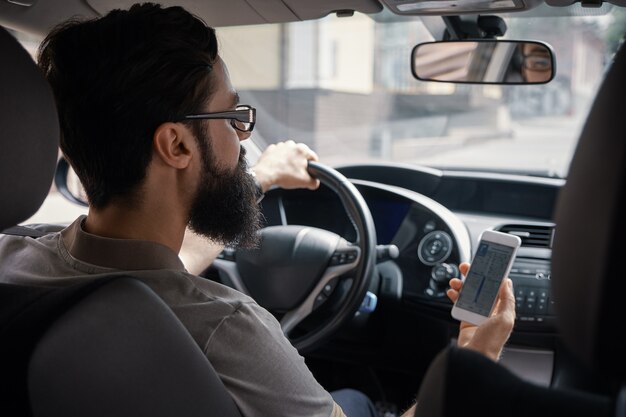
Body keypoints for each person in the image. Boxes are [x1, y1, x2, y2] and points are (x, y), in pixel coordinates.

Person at [0, 4, 515, 416]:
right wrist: (476, 354)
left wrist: (260, 178)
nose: (243, 139)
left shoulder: (13, 256)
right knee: (359, 400)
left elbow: (149, 279)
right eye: (235, 118)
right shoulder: (228, 327)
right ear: (177, 146)